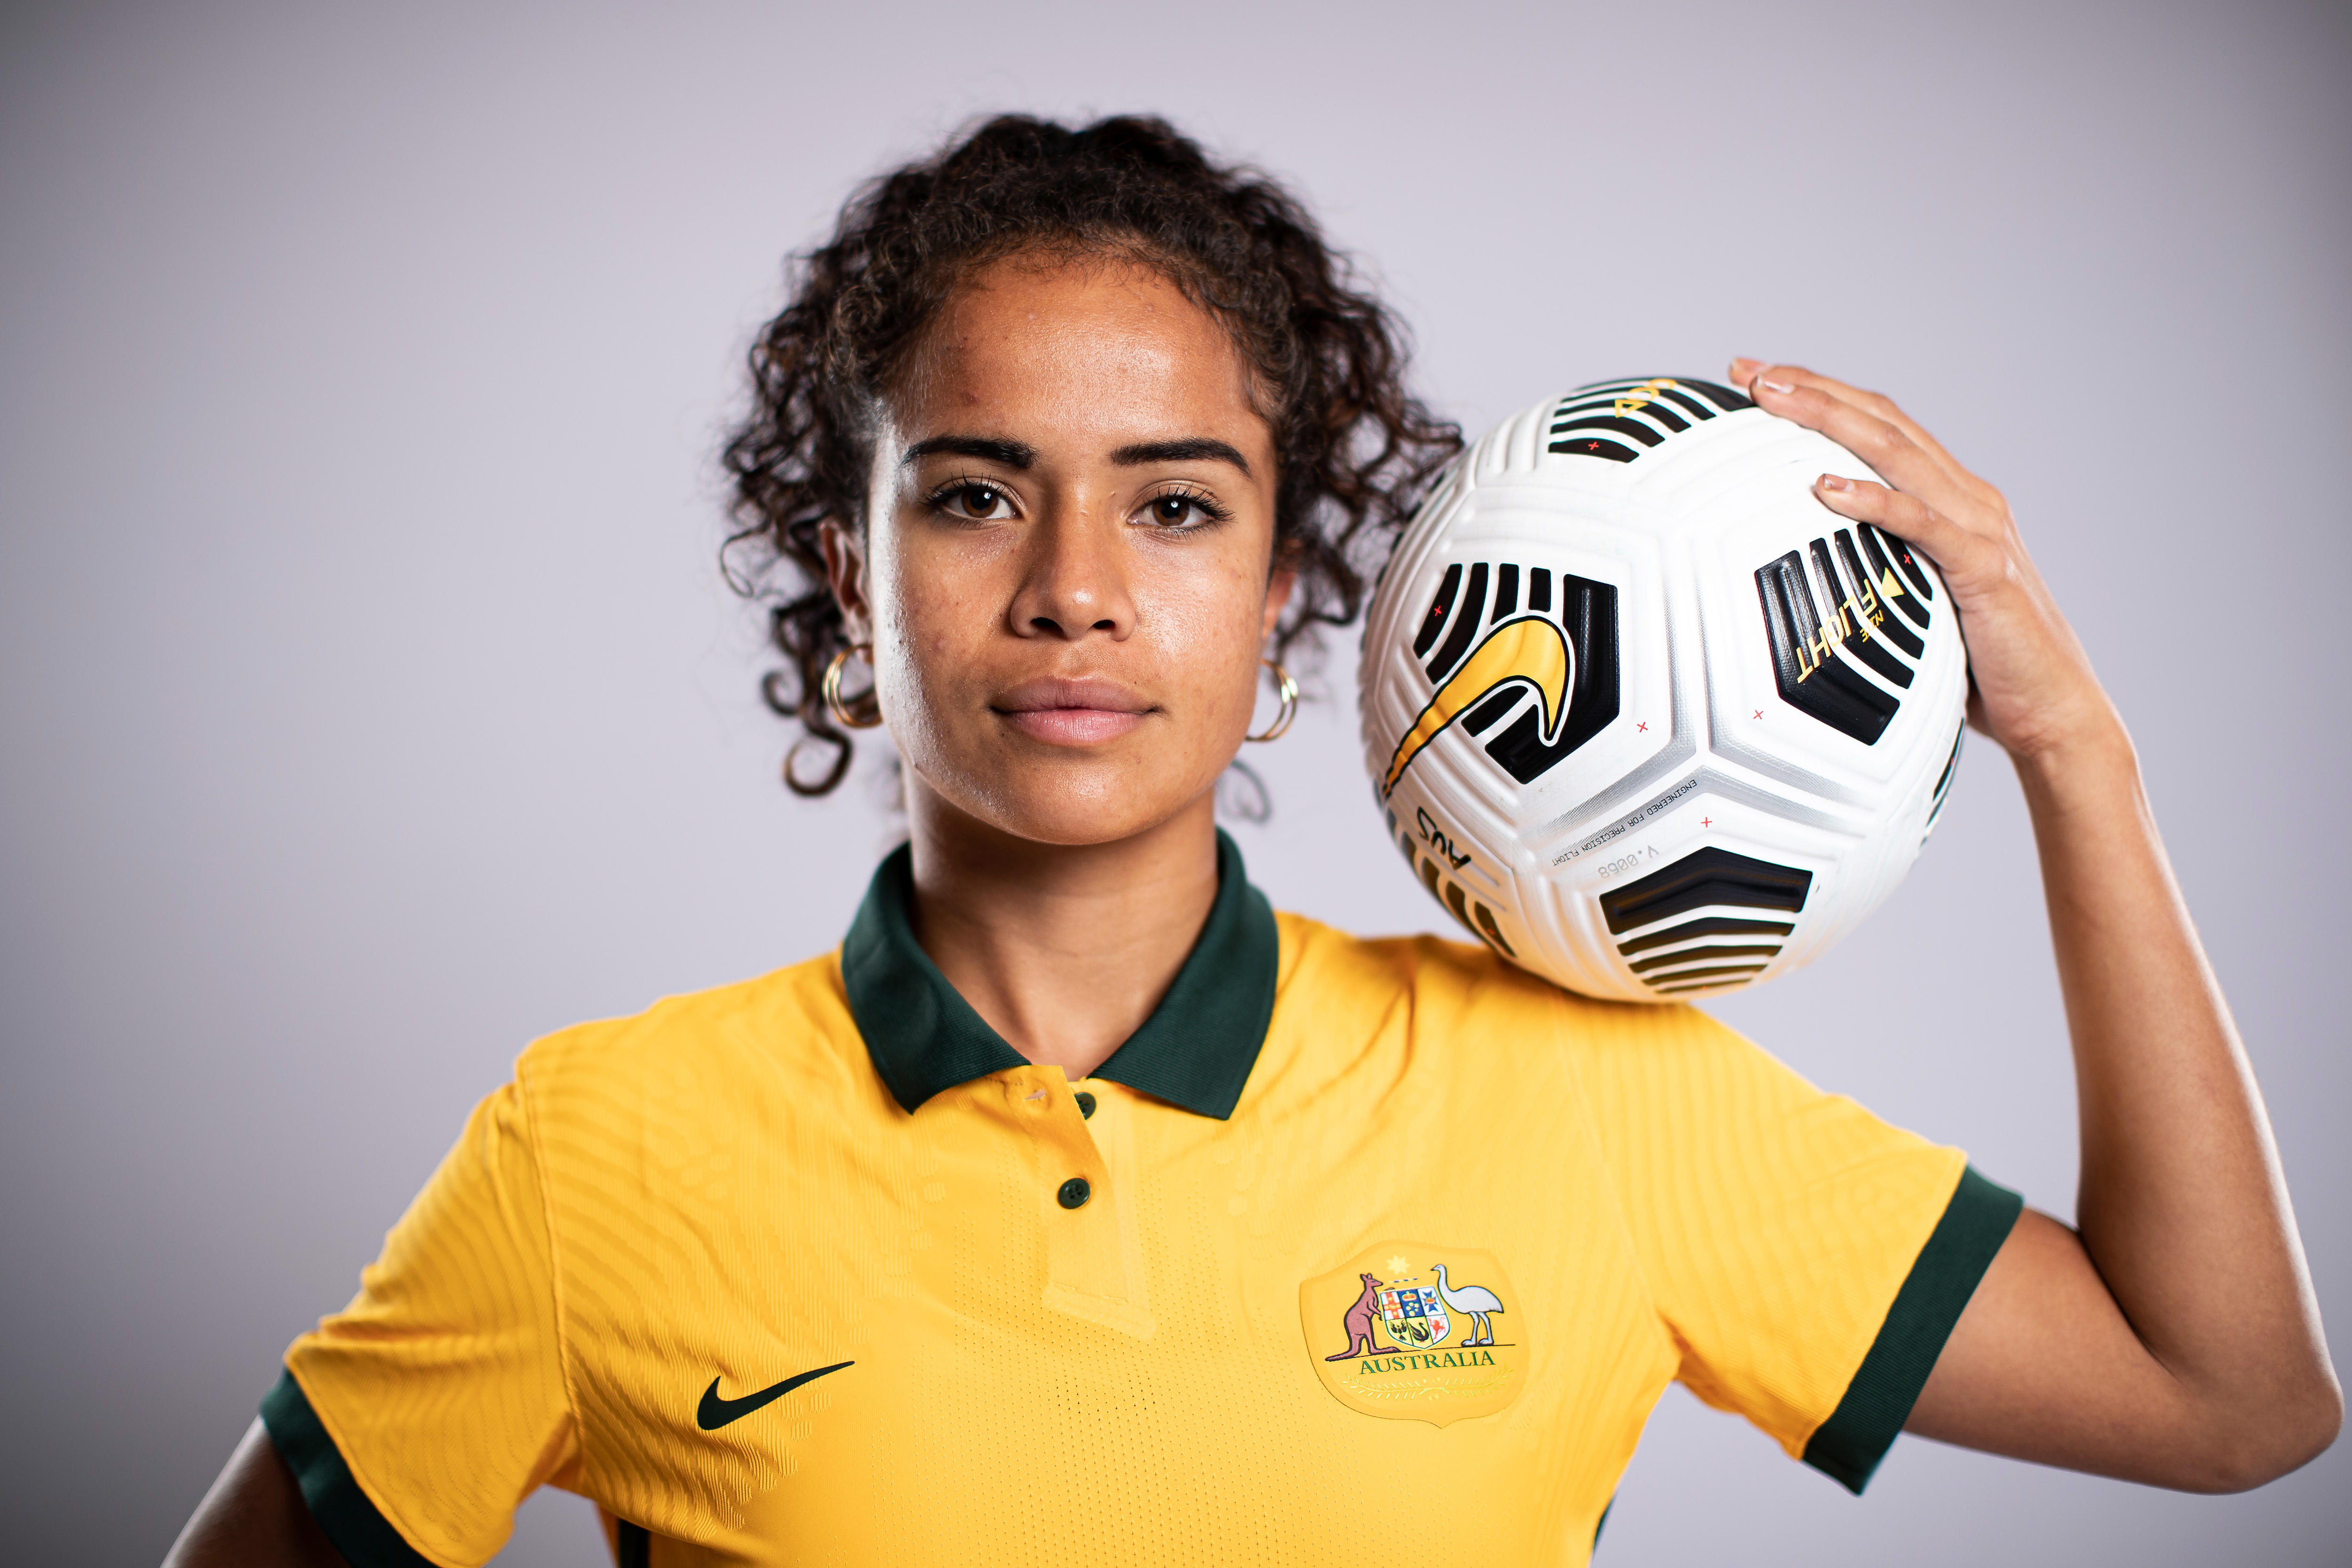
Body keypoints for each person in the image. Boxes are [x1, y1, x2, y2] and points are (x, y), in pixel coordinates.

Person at [164, 114, 2337, 1568]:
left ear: (1290, 587)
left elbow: (2224, 1395)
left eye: (1177, 500)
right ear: (848, 570)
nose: (1077, 584)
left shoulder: (1586, 1091)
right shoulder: (597, 1148)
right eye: (976, 488)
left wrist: (2069, 752)